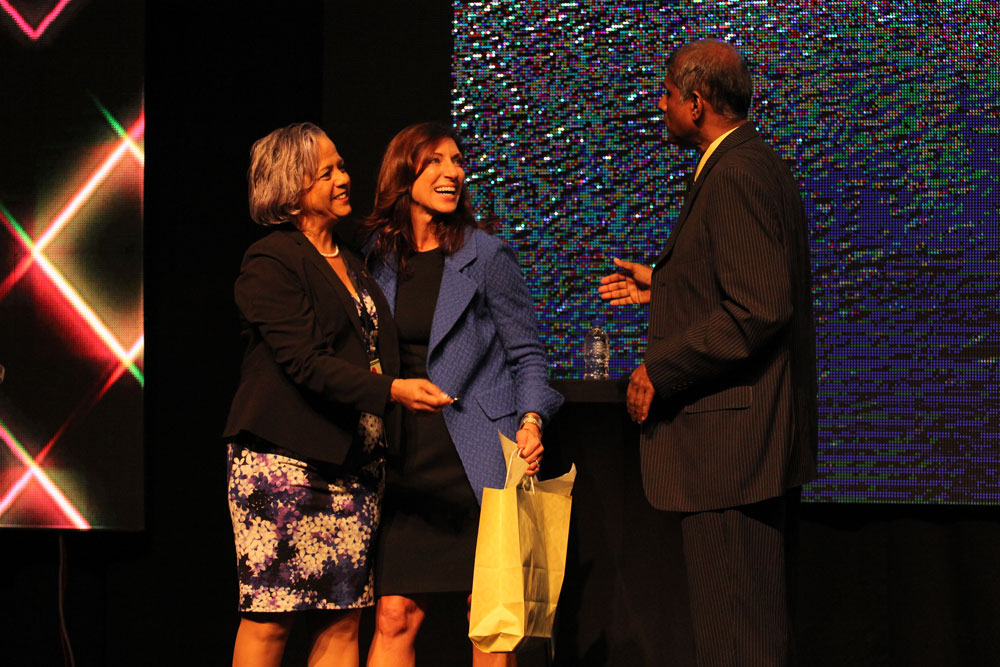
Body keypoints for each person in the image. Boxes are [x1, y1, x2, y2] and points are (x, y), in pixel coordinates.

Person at [599, 39, 818, 665]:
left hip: (732, 455)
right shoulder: (748, 162)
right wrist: (667, 284)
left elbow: (758, 309)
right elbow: (744, 282)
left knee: (739, 641)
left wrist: (660, 367)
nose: (660, 105)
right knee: (743, 635)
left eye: (667, 94)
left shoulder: (738, 172)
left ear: (696, 103)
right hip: (742, 452)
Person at [222, 122, 452, 667]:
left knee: (343, 618)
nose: (343, 179)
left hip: (354, 469)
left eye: (341, 166)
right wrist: (392, 390)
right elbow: (305, 362)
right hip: (285, 465)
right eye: (325, 173)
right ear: (291, 187)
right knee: (272, 619)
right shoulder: (271, 261)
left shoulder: (355, 263)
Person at [363, 122, 563, 667]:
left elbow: (528, 355)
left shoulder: (487, 255)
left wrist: (531, 421)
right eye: (434, 161)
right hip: (405, 462)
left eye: (456, 160)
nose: (451, 171)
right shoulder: (376, 259)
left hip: (477, 459)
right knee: (394, 615)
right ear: (403, 174)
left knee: (489, 619)